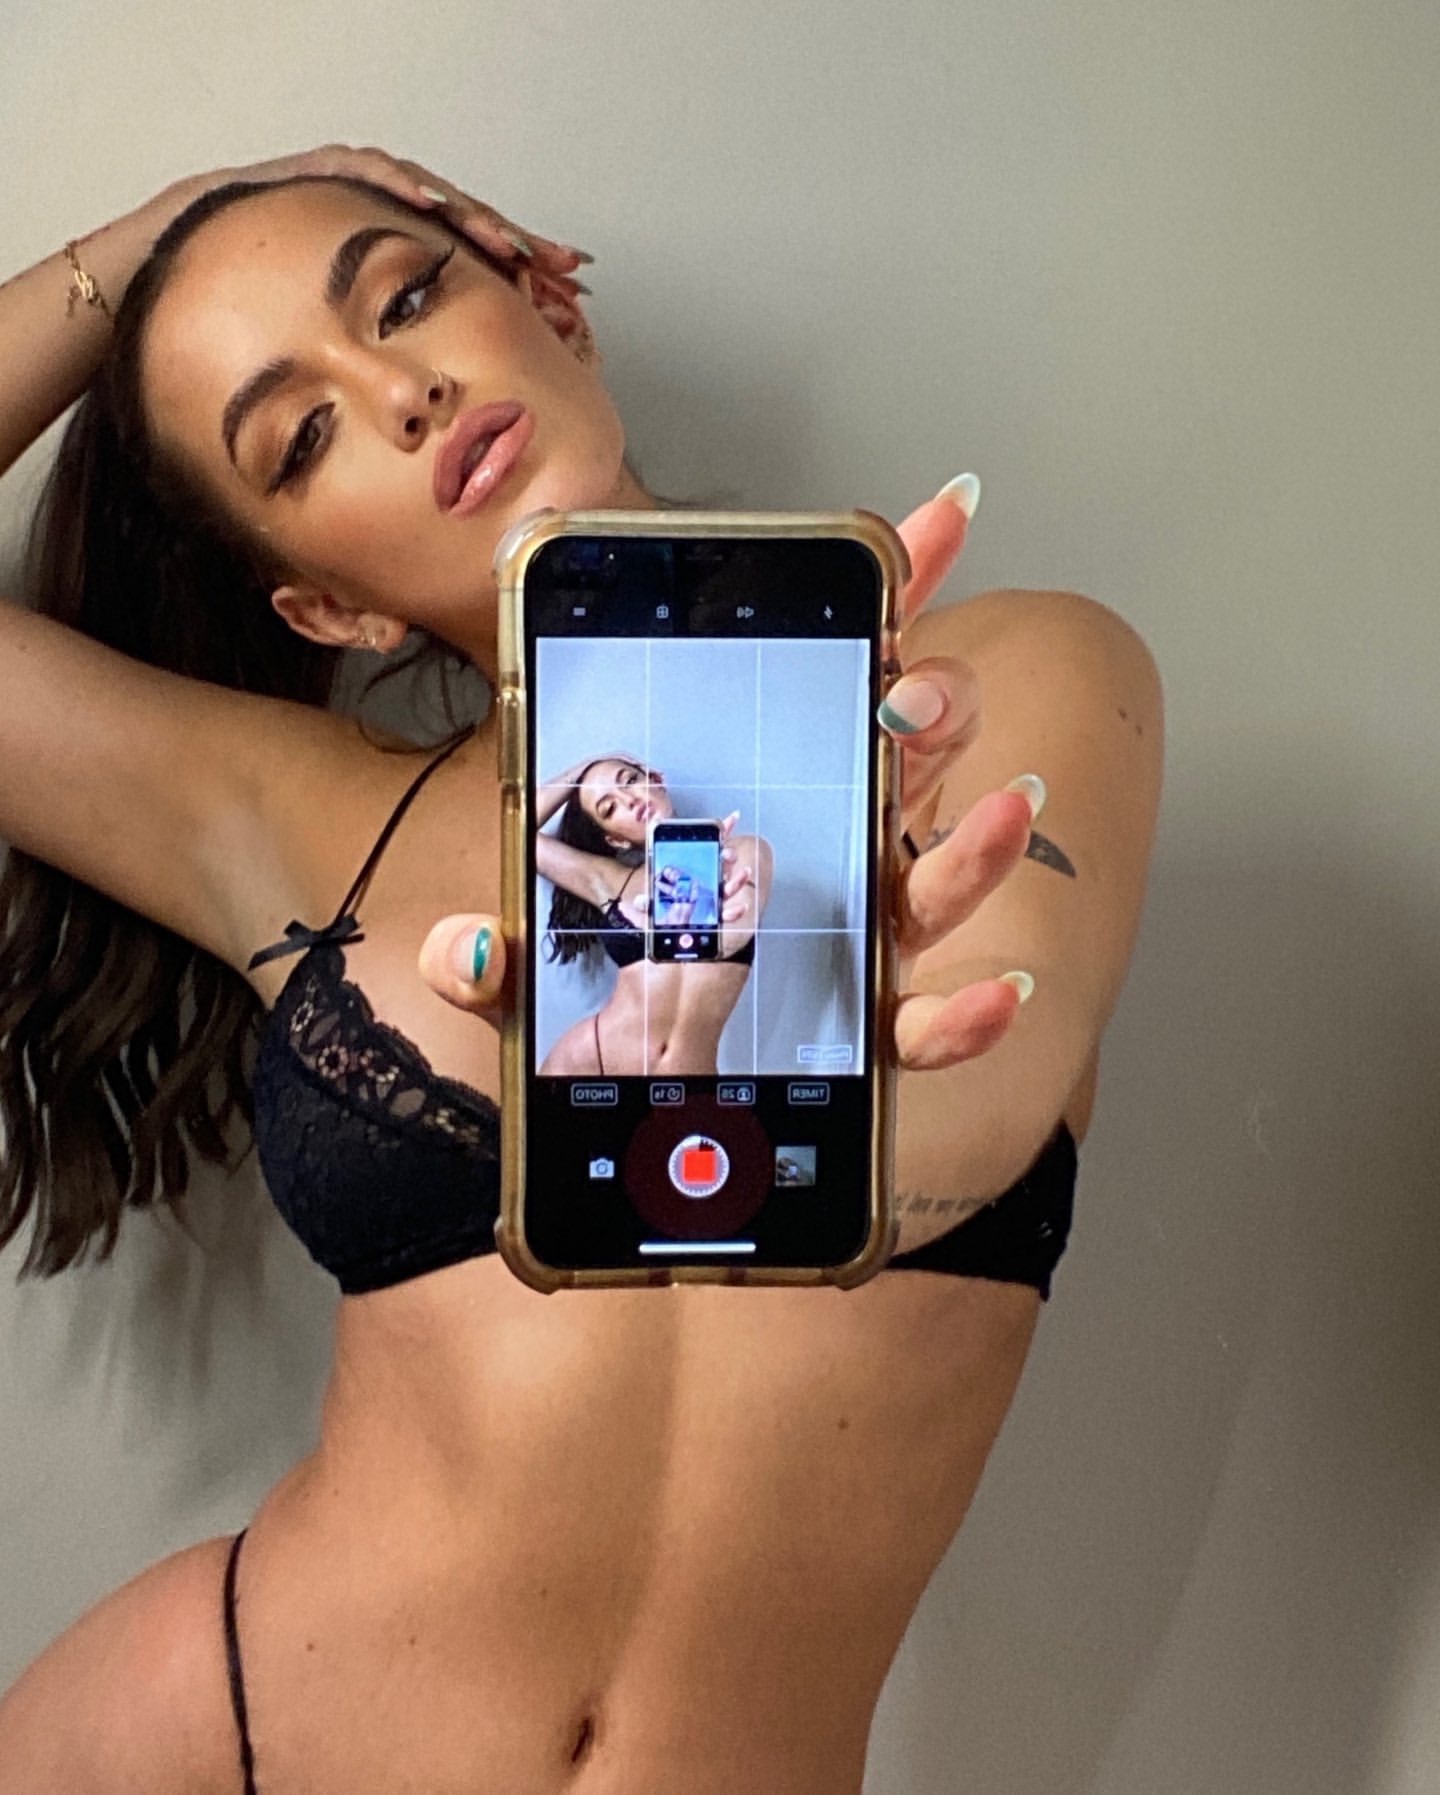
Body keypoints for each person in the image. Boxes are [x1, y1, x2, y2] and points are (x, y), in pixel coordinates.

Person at [0, 144, 1163, 1792]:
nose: (401, 392)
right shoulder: (287, 815)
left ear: (553, 314)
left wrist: (774, 1050)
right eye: (302, 433)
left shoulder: (1008, 680)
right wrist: (155, 236)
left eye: (406, 297)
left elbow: (981, 1119)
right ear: (328, 611)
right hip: (231, 1743)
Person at [535, 752, 770, 1075]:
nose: (629, 799)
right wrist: (583, 768)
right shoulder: (610, 881)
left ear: (656, 781)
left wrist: (695, 914)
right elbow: (517, 834)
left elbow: (732, 940)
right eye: (610, 807)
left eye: (630, 781)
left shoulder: (743, 852)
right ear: (616, 839)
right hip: (590, 1064)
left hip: (690, 1080)